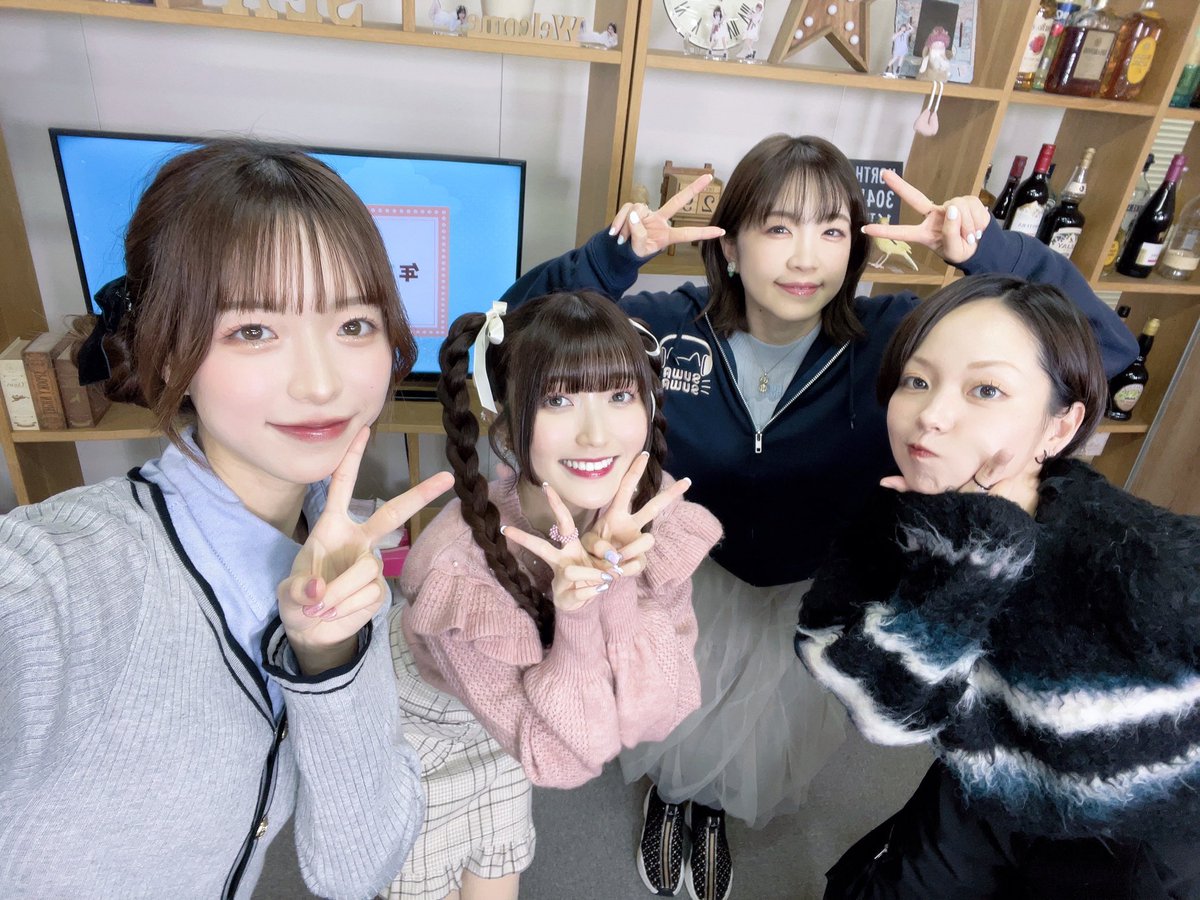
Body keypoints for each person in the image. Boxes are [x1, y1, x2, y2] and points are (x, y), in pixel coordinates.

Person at [498, 133, 1137, 900]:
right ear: (729, 244)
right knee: (675, 710)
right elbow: (506, 334)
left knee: (766, 732)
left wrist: (989, 254)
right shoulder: (663, 329)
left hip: (819, 584)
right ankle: (672, 797)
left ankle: (712, 810)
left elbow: (1103, 350)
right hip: (686, 574)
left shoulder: (894, 338)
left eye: (832, 230)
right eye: (778, 227)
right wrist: (608, 261)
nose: (806, 258)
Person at [0, 139, 453, 898]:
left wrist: (329, 657)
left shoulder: (339, 554)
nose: (321, 384)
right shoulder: (59, 579)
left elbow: (355, 870)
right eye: (252, 330)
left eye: (353, 325)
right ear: (166, 348)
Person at [796, 274, 1200, 898]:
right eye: (916, 381)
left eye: (986, 389)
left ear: (1059, 427)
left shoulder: (1145, 560)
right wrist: (975, 557)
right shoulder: (889, 529)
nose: (931, 415)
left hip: (1139, 837)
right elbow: (883, 712)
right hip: (984, 790)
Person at [387, 291, 722, 900]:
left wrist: (606, 587)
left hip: (527, 718)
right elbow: (565, 757)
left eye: (619, 395)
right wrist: (580, 614)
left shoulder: (647, 514)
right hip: (422, 730)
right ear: (507, 421)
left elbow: (656, 712)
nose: (596, 435)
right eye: (558, 399)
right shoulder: (458, 569)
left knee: (497, 866)